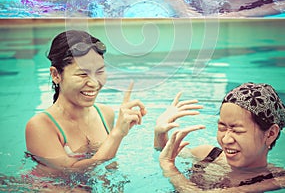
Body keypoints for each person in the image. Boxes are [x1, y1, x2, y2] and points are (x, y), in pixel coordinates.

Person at [25, 30, 146, 177]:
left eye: (100, 72)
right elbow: (68, 171)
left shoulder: (105, 113)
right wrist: (117, 134)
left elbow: (110, 169)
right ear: (56, 75)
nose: (94, 83)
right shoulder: (41, 125)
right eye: (83, 74)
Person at [156, 83, 285, 192]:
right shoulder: (208, 155)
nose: (226, 140)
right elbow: (167, 153)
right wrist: (159, 132)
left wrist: (170, 169)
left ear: (270, 134)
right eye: (222, 128)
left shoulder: (275, 179)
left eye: (237, 131)